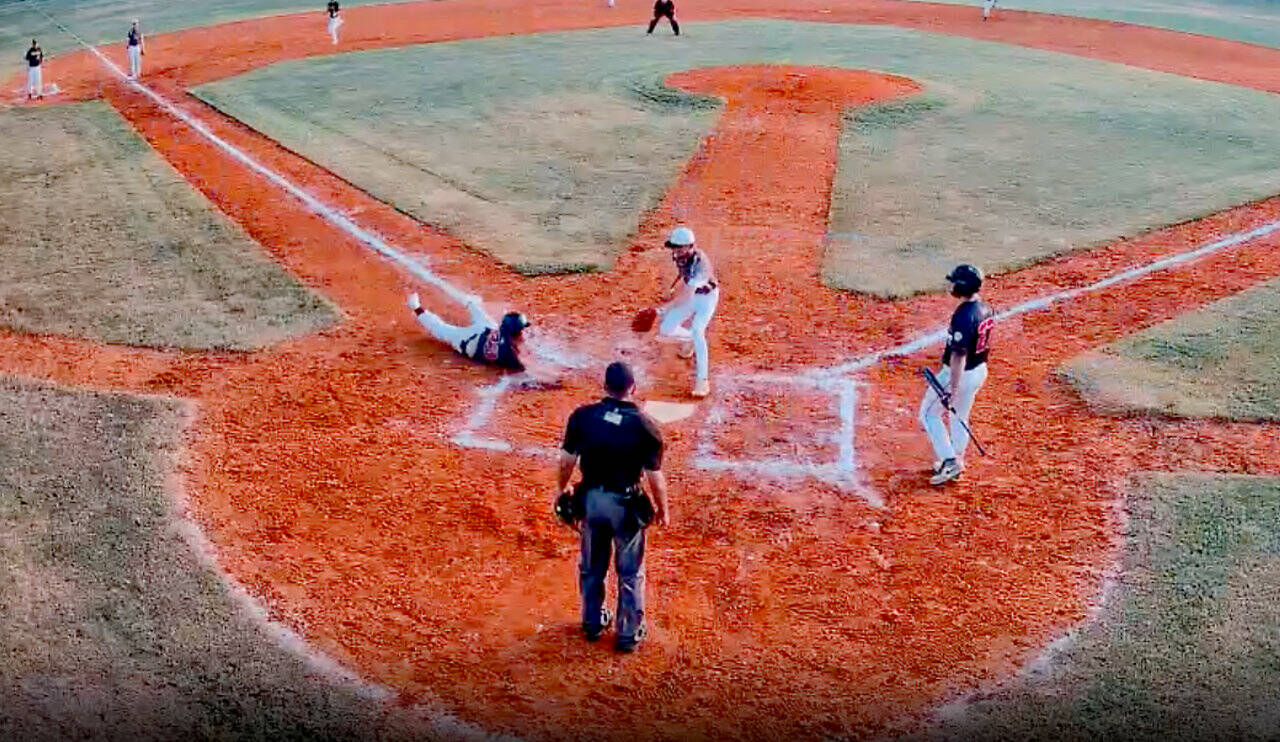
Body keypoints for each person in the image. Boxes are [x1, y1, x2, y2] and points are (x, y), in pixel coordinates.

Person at [557, 362, 668, 653]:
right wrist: (662, 509)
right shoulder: (644, 425)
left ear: (605, 386)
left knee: (593, 565)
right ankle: (628, 633)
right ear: (632, 388)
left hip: (591, 500)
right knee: (629, 571)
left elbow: (567, 461)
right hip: (625, 505)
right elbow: (655, 476)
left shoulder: (583, 417)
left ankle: (593, 622)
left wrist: (563, 489)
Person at [919, 264, 994, 485]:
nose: (950, 285)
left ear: (962, 286)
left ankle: (949, 459)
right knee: (959, 416)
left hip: (959, 374)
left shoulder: (963, 316)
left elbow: (959, 355)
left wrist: (952, 388)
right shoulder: (984, 308)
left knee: (929, 414)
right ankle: (957, 458)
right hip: (979, 371)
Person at [406, 291, 558, 386]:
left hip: (484, 330)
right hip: (468, 343)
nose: (523, 333)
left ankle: (468, 301)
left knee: (477, 313)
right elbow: (529, 376)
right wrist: (553, 383)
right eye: (521, 330)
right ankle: (416, 307)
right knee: (442, 330)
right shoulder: (512, 356)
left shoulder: (504, 333)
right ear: (514, 333)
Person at [656, 225, 718, 399]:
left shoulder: (701, 265)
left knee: (698, 330)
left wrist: (662, 309)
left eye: (678, 247)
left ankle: (702, 381)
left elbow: (687, 297)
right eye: (674, 247)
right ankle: (690, 340)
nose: (675, 251)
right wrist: (672, 288)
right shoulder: (682, 255)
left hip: (706, 298)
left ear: (690, 246)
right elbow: (684, 276)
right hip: (693, 294)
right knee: (666, 329)